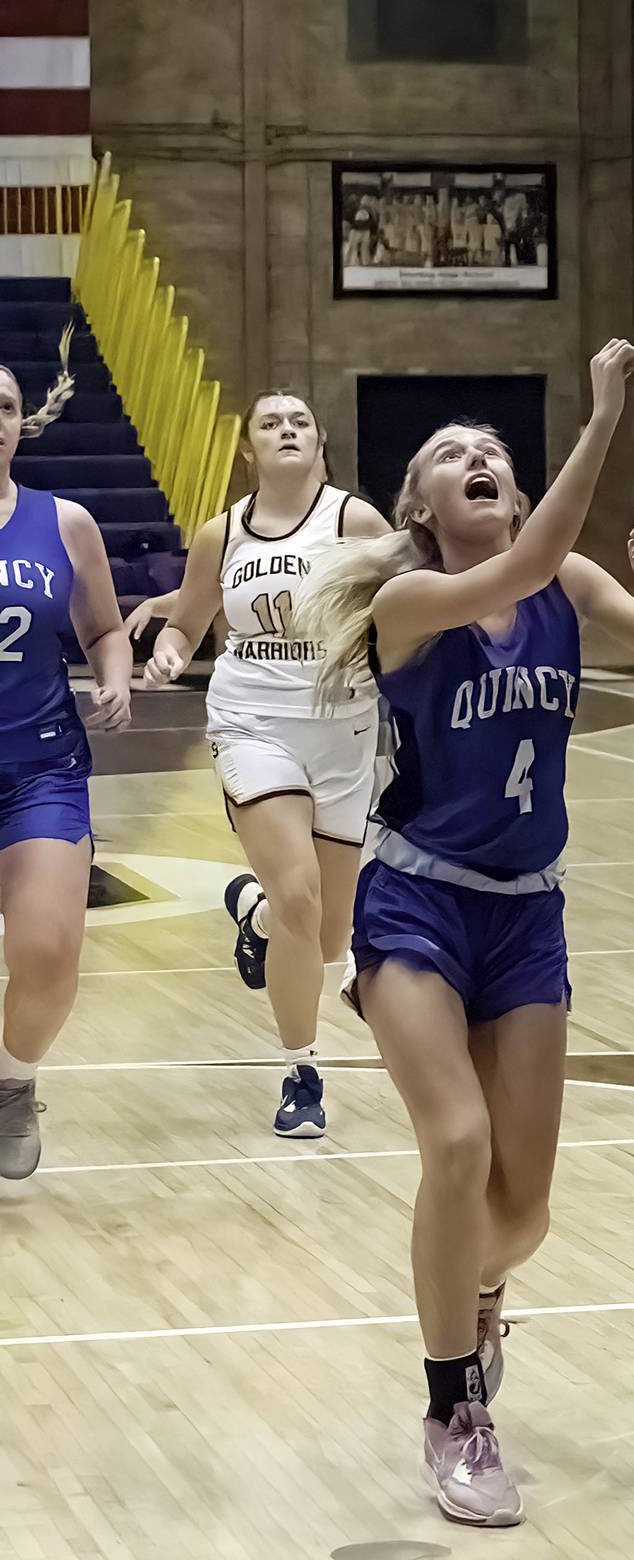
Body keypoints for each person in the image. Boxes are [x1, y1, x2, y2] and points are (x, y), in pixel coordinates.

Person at [295, 339, 634, 1526]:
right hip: (416, 901)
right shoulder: (410, 602)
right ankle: (451, 1408)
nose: (477, 457)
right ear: (421, 509)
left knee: (522, 1212)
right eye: (450, 454)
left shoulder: (567, 583)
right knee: (458, 1145)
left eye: (492, 452)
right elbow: (529, 556)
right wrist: (602, 416)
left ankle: (475, 1298)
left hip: (530, 916)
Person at [144, 391, 392, 1138]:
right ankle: (302, 1073)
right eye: (270, 423)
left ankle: (252, 909)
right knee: (301, 899)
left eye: (300, 422)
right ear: (249, 448)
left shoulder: (356, 522)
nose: (286, 430)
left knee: (328, 934)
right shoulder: (221, 533)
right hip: (253, 721)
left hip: (344, 728)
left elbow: (412, 604)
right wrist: (169, 651)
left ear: (319, 442)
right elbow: (189, 620)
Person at [0, 340, 132, 1179]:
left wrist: (115, 679)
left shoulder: (64, 522)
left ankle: (12, 1084)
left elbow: (104, 629)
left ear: (21, 423)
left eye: (4, 408)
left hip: (40, 769)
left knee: (49, 954)